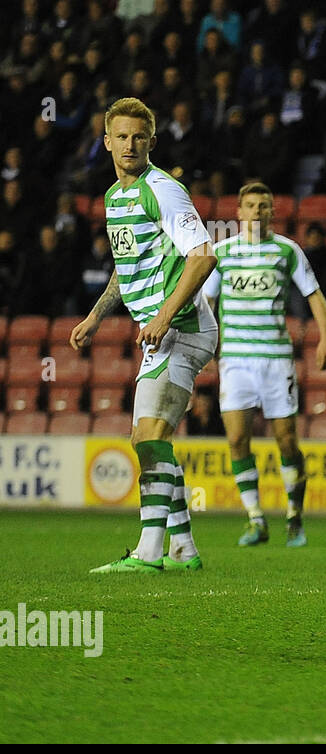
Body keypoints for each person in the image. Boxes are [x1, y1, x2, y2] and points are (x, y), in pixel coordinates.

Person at [72, 96, 219, 573]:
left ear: (152, 142)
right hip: (164, 330)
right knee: (152, 439)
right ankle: (183, 550)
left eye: (140, 136)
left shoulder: (164, 189)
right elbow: (127, 268)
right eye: (122, 136)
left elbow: (202, 255)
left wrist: (161, 317)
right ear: (107, 142)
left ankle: (149, 552)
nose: (130, 144)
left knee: (148, 435)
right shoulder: (116, 199)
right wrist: (96, 316)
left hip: (181, 327)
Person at [201, 182, 326, 548]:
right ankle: (256, 519)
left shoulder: (286, 251)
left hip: (276, 359)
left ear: (272, 212)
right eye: (250, 205)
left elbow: (314, 294)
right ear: (239, 212)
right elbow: (206, 305)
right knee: (236, 439)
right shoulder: (222, 253)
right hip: (235, 360)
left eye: (264, 205)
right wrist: (200, 348)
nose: (257, 211)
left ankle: (294, 516)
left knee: (286, 441)